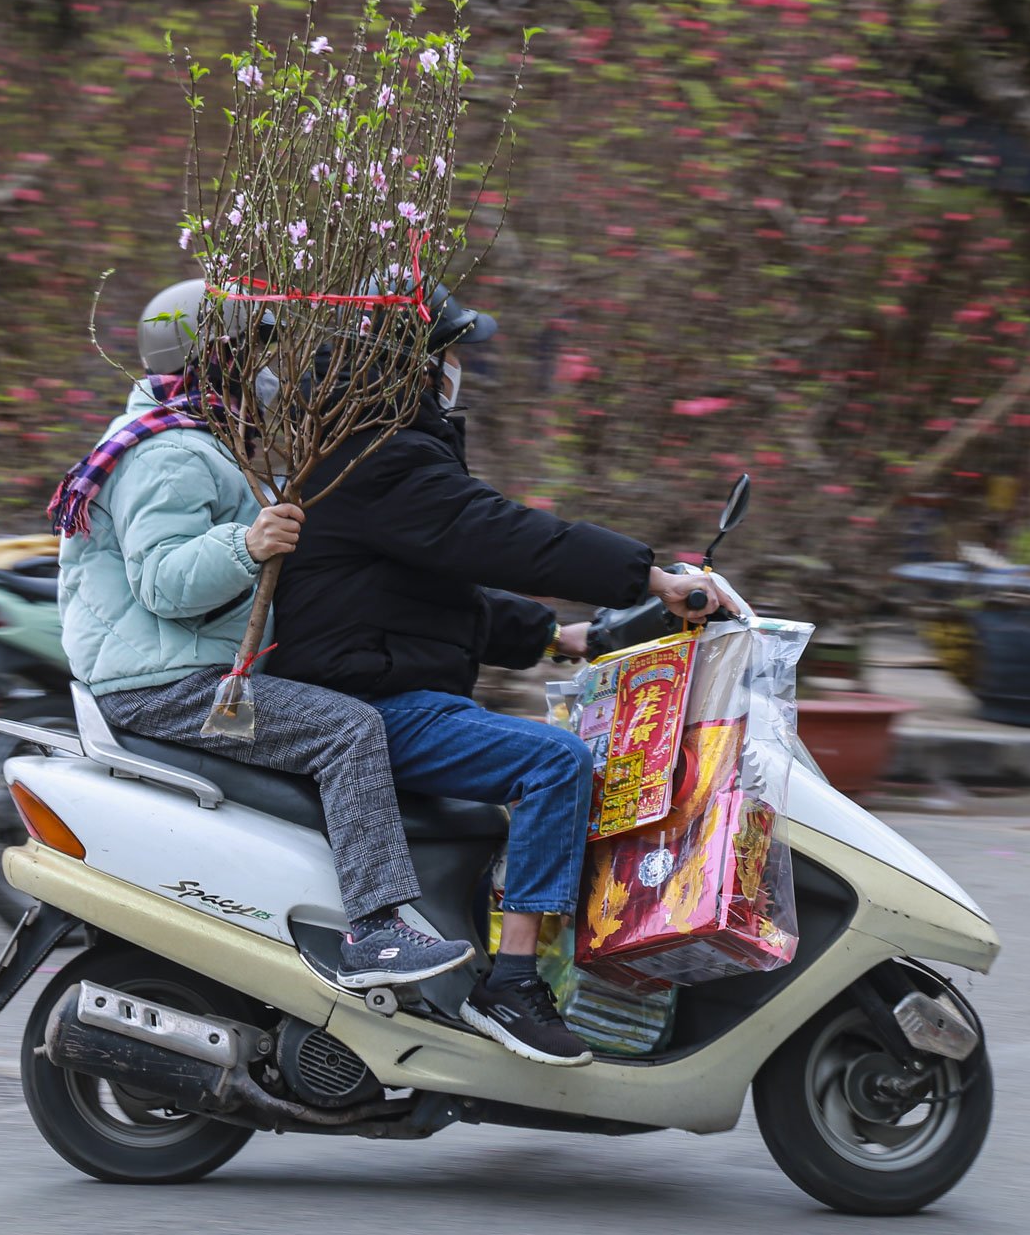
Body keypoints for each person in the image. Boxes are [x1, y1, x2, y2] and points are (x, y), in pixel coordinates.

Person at [268, 286, 717, 1065]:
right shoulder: (385, 454)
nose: (455, 369)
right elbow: (501, 536)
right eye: (447, 354)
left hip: (377, 680)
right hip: (370, 702)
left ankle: (477, 973)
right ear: (405, 365)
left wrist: (560, 634)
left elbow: (431, 595)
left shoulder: (368, 448)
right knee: (554, 762)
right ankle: (511, 985)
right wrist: (648, 574)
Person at [51, 278, 473, 989]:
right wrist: (247, 544)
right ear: (213, 356)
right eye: (255, 350)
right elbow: (163, 582)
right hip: (165, 685)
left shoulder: (203, 436)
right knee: (349, 730)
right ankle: (375, 931)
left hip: (179, 671)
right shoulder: (170, 452)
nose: (269, 368)